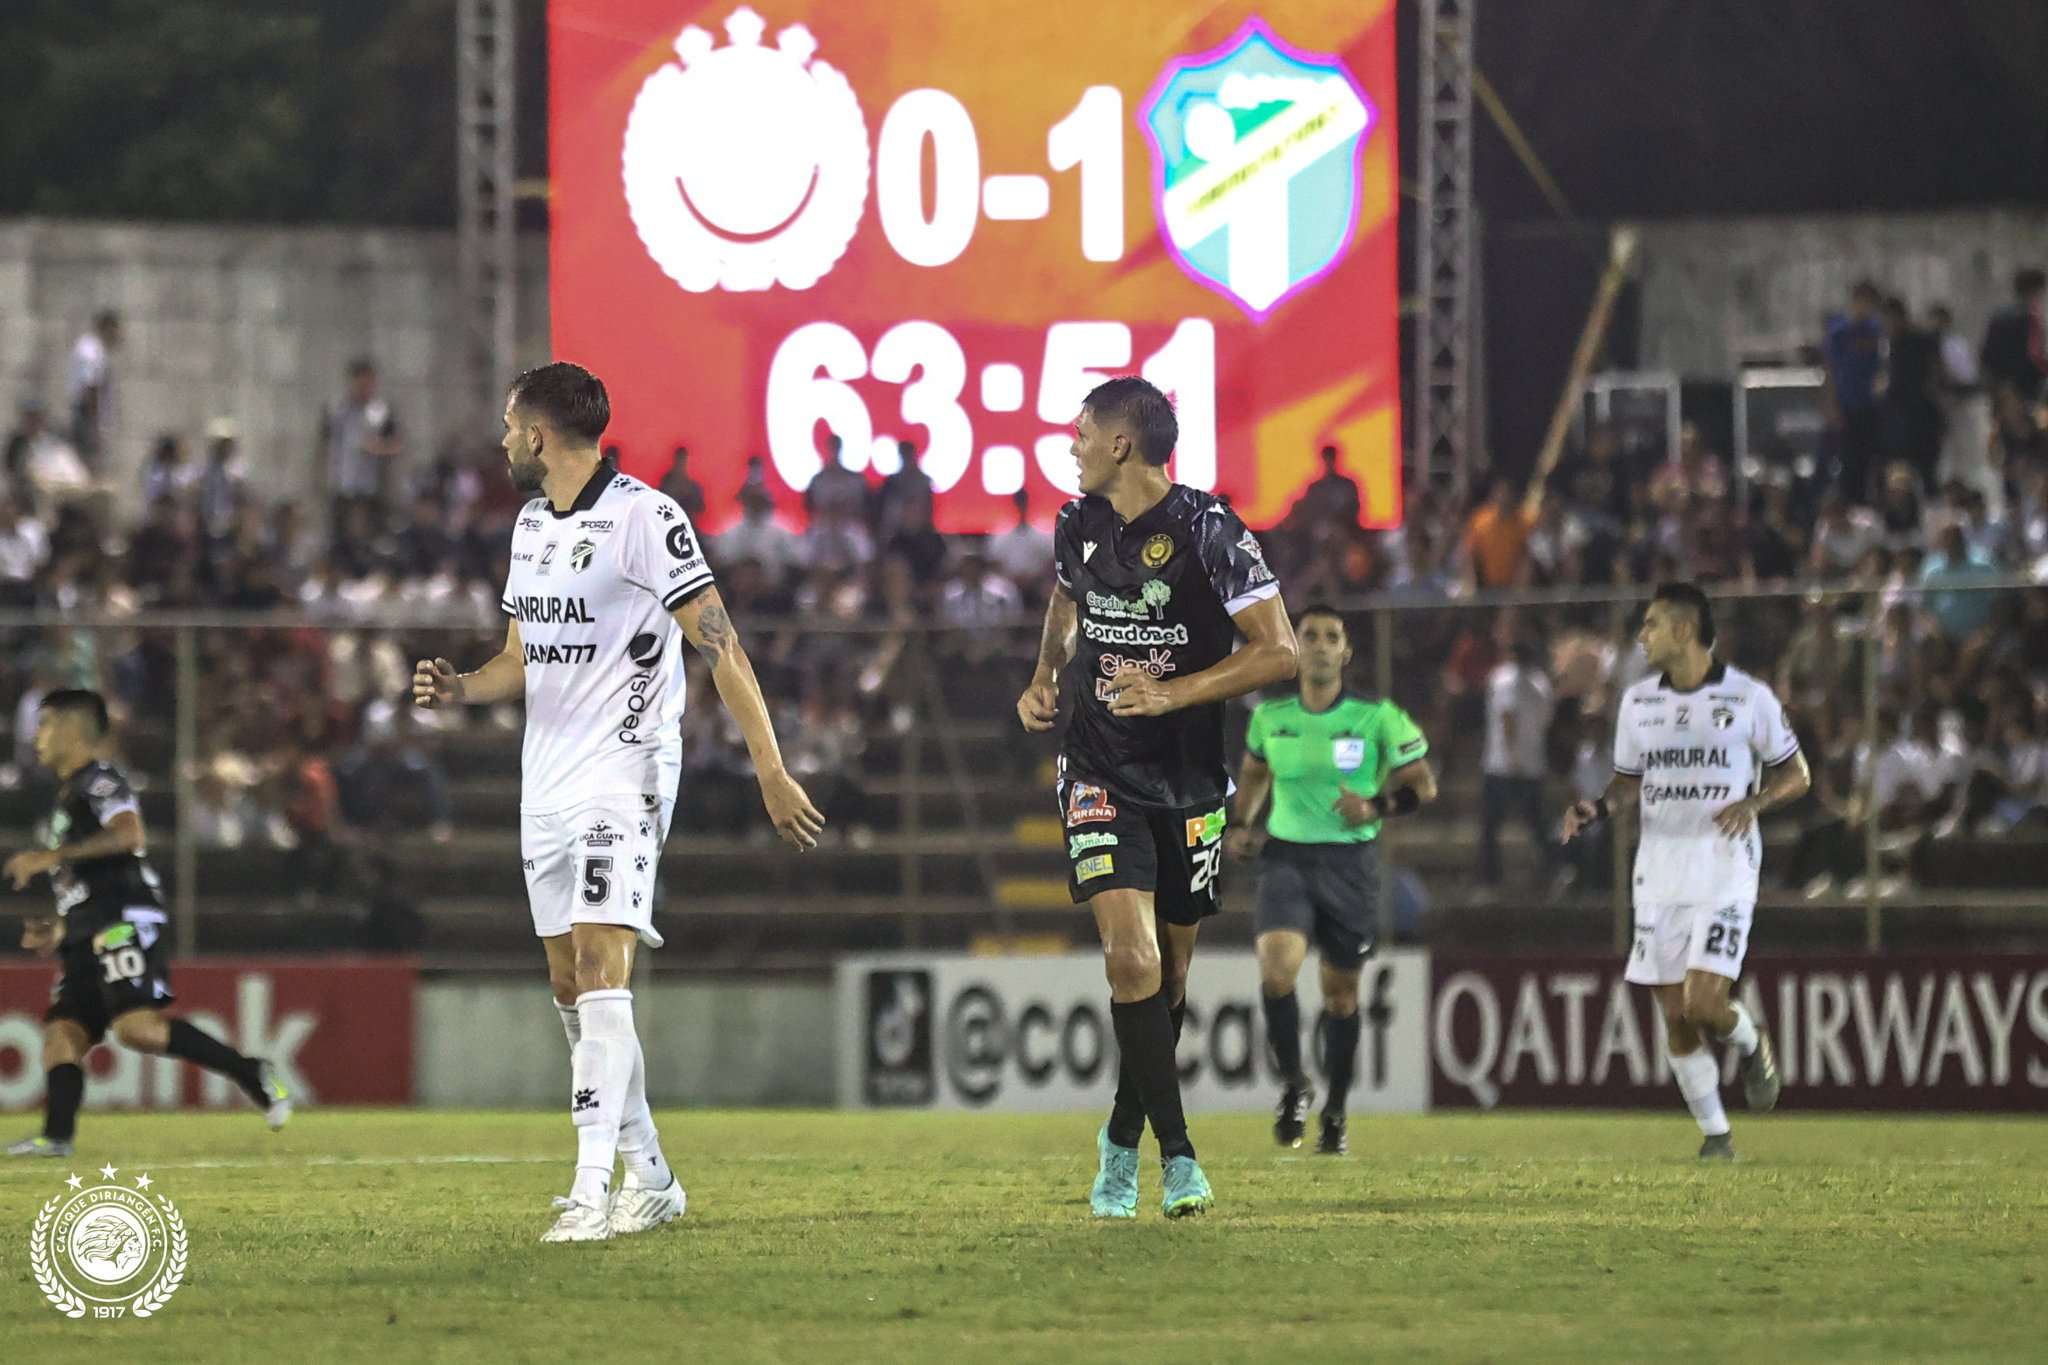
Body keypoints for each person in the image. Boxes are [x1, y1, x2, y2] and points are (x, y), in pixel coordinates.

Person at [412, 362, 823, 1243]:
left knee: (604, 967)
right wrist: (459, 686)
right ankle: (655, 1179)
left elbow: (723, 647)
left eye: (508, 425)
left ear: (538, 435)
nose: (500, 440)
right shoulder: (528, 526)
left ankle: (589, 1190)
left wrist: (771, 768)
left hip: (626, 770)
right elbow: (518, 660)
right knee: (570, 982)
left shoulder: (647, 517)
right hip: (546, 776)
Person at [1015, 375, 1297, 1218]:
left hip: (1191, 778)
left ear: (1122, 445)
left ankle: (1118, 1136)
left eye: (1082, 431)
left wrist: (1173, 692)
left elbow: (1279, 651)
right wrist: (1044, 677)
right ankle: (1177, 1158)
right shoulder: (1076, 524)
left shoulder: (1210, 531)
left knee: (1170, 976)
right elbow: (1067, 603)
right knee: (1129, 958)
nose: (1070, 443)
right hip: (1099, 765)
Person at [1561, 584, 1809, 1159]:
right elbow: (1628, 782)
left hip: (1724, 869)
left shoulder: (1749, 698)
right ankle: (1717, 1136)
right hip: (1658, 872)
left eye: (1650, 624)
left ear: (1683, 630)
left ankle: (1750, 1043)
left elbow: (1798, 773)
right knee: (1675, 1016)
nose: (1641, 636)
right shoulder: (1639, 702)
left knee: (1703, 1003)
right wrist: (1596, 808)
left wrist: (1755, 803)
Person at [5, 690, 289, 1159]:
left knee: (138, 1030)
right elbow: (82, 879)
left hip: (121, 918)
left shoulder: (100, 780)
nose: (36, 735)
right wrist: (57, 928)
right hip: (85, 925)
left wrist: (50, 855)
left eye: (46, 725)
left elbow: (129, 834)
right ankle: (55, 1139)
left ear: (74, 731)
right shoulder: (66, 796)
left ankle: (250, 1071)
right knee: (63, 1034)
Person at [1225, 605, 1435, 1155]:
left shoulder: (1378, 717)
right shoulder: (1270, 718)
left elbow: (1423, 785)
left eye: (1330, 637)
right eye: (1308, 635)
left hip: (1350, 864)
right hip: (1287, 858)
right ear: (1293, 648)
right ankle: (1295, 1085)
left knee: (1340, 996)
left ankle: (1336, 1110)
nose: (1318, 644)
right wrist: (1241, 825)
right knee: (1278, 970)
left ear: (1346, 653)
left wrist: (1377, 804)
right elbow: (1252, 774)